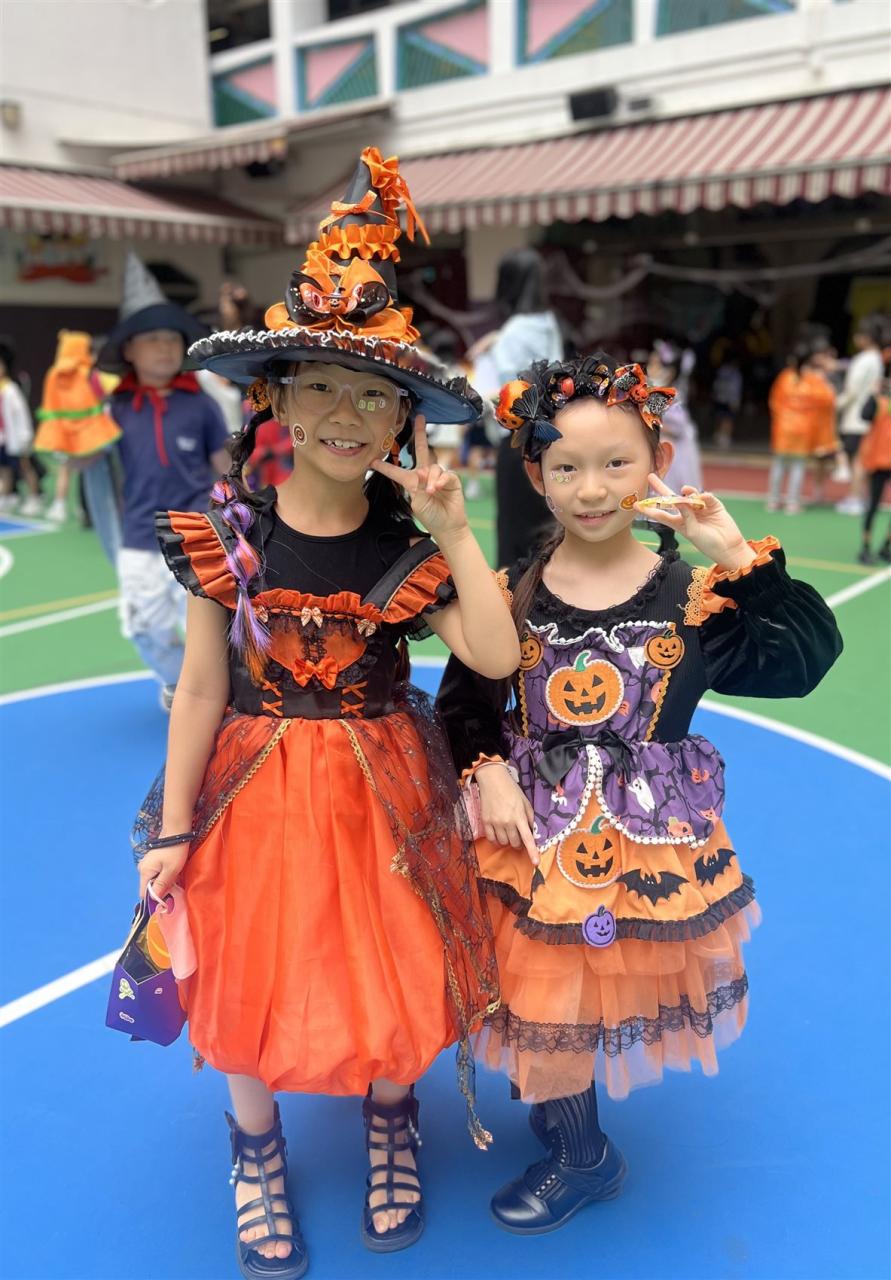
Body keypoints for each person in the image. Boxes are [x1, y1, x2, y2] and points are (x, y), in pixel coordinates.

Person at [130, 148, 518, 1278]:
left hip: (384, 791)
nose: (347, 414)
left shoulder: (407, 548)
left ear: (402, 419)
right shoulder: (226, 534)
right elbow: (202, 685)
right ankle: (255, 1147)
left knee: (394, 953)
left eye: (374, 395)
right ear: (276, 398)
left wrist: (454, 529)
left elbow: (494, 655)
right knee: (246, 961)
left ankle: (392, 1117)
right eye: (321, 388)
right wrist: (175, 824)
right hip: (250, 792)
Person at [436, 353, 842, 1235]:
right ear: (535, 477)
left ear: (656, 462)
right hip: (526, 834)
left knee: (572, 991)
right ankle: (567, 1117)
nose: (591, 489)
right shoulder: (512, 592)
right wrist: (487, 766)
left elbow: (803, 663)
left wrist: (739, 560)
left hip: (642, 843)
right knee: (537, 989)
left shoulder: (693, 598)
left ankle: (585, 1160)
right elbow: (463, 700)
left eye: (615, 462)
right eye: (565, 468)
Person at [85, 254, 229, 709]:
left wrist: (243, 503)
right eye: (152, 339)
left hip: (196, 531)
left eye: (172, 338)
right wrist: (70, 430)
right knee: (143, 624)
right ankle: (175, 679)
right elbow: (88, 459)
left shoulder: (201, 404)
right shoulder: (113, 408)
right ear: (129, 350)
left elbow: (223, 463)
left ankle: (209, 690)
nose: (165, 348)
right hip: (138, 535)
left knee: (210, 622)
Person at [470, 248, 563, 565]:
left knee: (514, 537)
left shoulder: (514, 333)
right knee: (545, 531)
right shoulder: (548, 323)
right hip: (546, 437)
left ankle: (513, 594)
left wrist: (477, 396)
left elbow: (510, 393)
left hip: (516, 439)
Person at [34, 330, 122, 526]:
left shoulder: (53, 374)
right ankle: (95, 513)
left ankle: (62, 506)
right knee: (102, 477)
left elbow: (49, 404)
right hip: (93, 435)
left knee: (68, 471)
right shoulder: (89, 372)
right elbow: (113, 389)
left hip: (63, 433)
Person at [646, 339, 702, 551]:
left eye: (655, 364)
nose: (650, 367)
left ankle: (667, 540)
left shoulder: (667, 393)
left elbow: (678, 425)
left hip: (673, 454)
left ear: (668, 371)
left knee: (665, 493)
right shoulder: (657, 391)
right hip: (664, 448)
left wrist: (653, 421)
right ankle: (665, 537)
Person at [766, 342, 836, 514]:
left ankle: (773, 500)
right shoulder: (812, 379)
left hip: (783, 427)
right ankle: (792, 502)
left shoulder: (784, 377)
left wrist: (782, 417)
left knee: (779, 463)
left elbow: (774, 402)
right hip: (804, 429)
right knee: (797, 465)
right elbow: (827, 399)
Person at [835, 317, 885, 515]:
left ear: (866, 338)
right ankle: (862, 497)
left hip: (856, 417)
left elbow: (852, 390)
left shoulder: (864, 359)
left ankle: (855, 497)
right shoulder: (877, 359)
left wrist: (836, 404)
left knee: (857, 459)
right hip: (868, 416)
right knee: (862, 458)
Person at [0, 336, 44, 516]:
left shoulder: (11, 390)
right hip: (3, 439)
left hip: (17, 439)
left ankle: (35, 497)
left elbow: (22, 415)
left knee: (26, 468)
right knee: (5, 470)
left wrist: (25, 436)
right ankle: (6, 497)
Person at [857, 376, 891, 564]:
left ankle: (886, 546)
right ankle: (865, 548)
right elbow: (865, 415)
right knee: (873, 506)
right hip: (878, 462)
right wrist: (873, 393)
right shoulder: (878, 400)